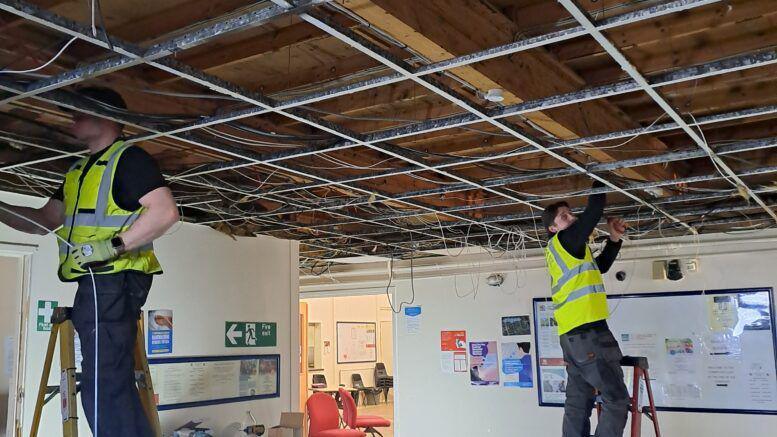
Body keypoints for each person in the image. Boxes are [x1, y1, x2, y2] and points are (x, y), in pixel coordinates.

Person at [0, 87, 179, 436]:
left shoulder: (129, 159)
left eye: (80, 111)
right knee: (107, 379)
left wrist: (112, 247)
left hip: (113, 278)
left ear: (108, 117)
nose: (72, 117)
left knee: (103, 382)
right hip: (95, 282)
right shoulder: (78, 170)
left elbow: (166, 212)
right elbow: (44, 221)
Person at [541, 180, 630, 437]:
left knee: (578, 404)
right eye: (564, 216)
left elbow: (599, 267)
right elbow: (595, 208)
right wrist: (597, 174)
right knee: (616, 399)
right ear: (553, 228)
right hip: (589, 335)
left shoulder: (566, 250)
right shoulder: (565, 240)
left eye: (570, 213)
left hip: (572, 338)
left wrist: (614, 239)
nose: (572, 218)